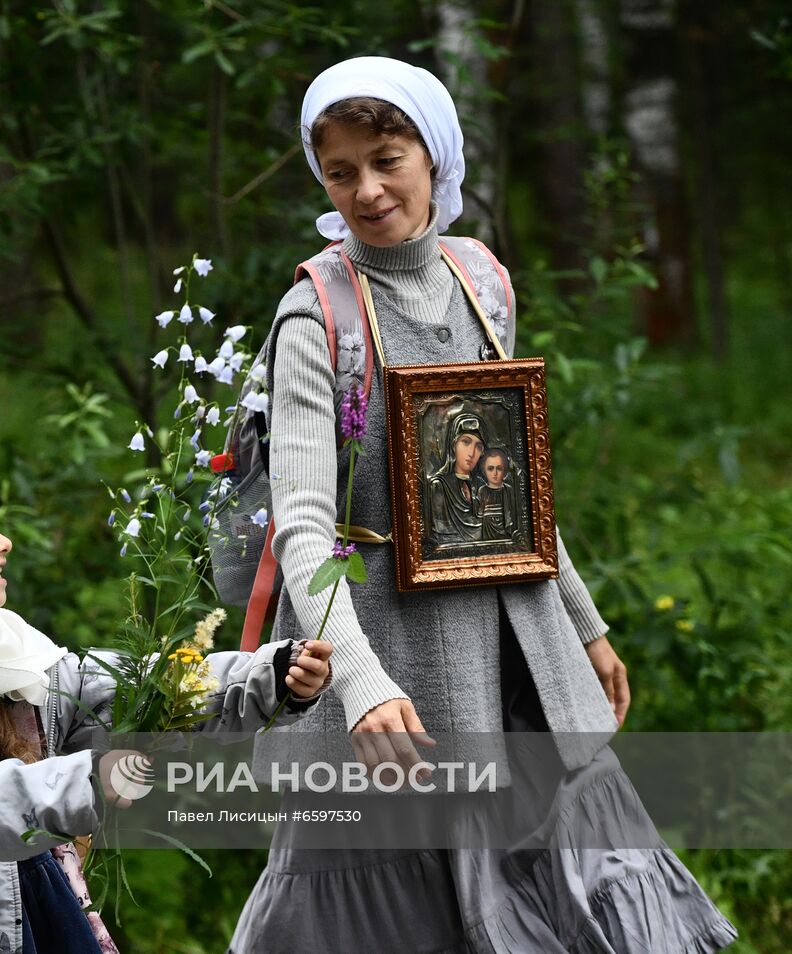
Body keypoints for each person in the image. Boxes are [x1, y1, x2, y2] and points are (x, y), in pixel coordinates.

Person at [232, 56, 737, 952]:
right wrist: (360, 682)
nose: (368, 189)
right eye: (340, 171)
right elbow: (305, 526)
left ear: (437, 153)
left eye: (388, 158)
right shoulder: (316, 317)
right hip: (401, 679)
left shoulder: (482, 279)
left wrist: (583, 623)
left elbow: (518, 477)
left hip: (518, 660)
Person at [0, 438, 331, 954]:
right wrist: (88, 780)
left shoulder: (12, 655)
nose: (3, 541)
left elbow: (135, 692)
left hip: (46, 918)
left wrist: (269, 676)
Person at [423, 409, 487, 547]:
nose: (471, 452)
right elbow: (441, 536)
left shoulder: (482, 485)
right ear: (453, 445)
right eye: (466, 442)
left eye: (479, 446)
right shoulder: (439, 485)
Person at [477, 448, 521, 544]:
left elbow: (514, 512)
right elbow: (479, 515)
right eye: (490, 468)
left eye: (499, 468)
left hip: (506, 533)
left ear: (504, 470)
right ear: (484, 470)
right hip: (487, 532)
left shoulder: (508, 490)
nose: (495, 473)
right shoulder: (482, 491)